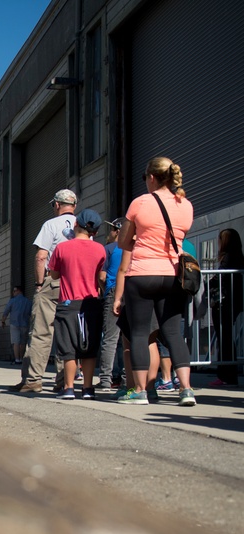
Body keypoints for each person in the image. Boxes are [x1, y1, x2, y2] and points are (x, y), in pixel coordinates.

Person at [113, 156, 196, 406]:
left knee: (139, 333)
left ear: (151, 177)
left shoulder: (140, 203)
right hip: (172, 275)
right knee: (173, 333)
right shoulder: (185, 205)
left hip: (142, 274)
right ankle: (186, 389)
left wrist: (142, 239)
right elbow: (179, 237)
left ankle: (140, 391)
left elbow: (123, 242)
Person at [13, 188, 78, 393]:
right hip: (75, 284)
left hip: (53, 281)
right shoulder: (82, 226)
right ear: (74, 206)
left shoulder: (51, 225)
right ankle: (64, 381)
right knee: (67, 332)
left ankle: (33, 379)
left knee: (41, 331)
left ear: (57, 205)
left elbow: (41, 256)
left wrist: (39, 284)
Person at [48, 209, 107, 399]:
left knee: (69, 348)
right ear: (95, 231)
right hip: (91, 302)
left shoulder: (62, 248)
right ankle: (88, 388)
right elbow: (101, 277)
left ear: (75, 224)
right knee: (89, 347)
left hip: (68, 303)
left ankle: (69, 388)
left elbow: (54, 274)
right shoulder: (100, 249)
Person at [209, 228, 244, 387]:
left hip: (224, 302)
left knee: (224, 337)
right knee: (226, 337)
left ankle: (226, 375)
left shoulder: (227, 258)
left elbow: (220, 278)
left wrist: (208, 283)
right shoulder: (239, 257)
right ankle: (228, 374)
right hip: (233, 301)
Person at [97, 219, 124, 389]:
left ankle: (106, 379)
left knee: (110, 338)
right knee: (128, 339)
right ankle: (127, 378)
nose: (110, 233)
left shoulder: (109, 249)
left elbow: (102, 276)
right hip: (133, 292)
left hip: (113, 291)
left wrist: (105, 290)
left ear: (117, 231)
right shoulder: (136, 248)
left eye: (112, 229)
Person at [1, 285, 31, 364]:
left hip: (14, 324)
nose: (13, 293)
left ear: (19, 291)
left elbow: (6, 312)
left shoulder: (12, 301)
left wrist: (3, 321)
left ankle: (17, 359)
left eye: (14, 291)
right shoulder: (27, 301)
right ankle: (21, 358)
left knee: (16, 342)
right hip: (24, 324)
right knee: (23, 342)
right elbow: (31, 313)